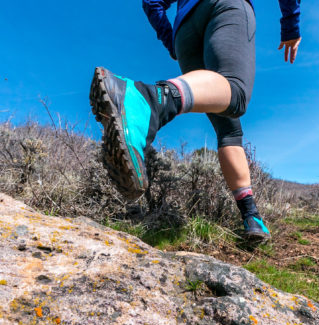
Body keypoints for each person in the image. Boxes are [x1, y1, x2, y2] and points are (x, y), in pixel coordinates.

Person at [89, 0, 301, 242]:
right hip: (225, 7)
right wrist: (290, 24)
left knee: (228, 124)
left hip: (185, 30)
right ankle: (150, 100)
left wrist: (172, 41)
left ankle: (251, 215)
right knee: (236, 93)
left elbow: (151, 2)